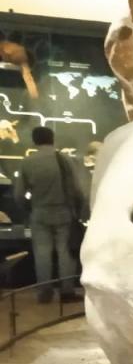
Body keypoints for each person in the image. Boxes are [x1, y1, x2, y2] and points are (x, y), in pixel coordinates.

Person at [14, 126, 83, 303]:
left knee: (42, 254)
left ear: (34, 140)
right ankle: (67, 292)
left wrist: (30, 208)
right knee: (65, 253)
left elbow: (19, 195)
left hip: (39, 212)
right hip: (64, 211)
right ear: (52, 138)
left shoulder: (27, 162)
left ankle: (44, 292)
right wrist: (78, 209)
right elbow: (77, 190)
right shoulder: (65, 160)